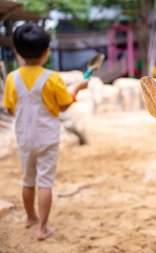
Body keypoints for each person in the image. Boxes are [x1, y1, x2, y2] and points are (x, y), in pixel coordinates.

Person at [2, 22, 89, 240]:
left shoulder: (12, 78)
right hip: (47, 138)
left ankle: (30, 217)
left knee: (27, 180)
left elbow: (10, 108)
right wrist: (77, 87)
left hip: (23, 137)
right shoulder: (52, 78)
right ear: (46, 52)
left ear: (16, 51)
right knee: (45, 183)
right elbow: (64, 105)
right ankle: (43, 227)